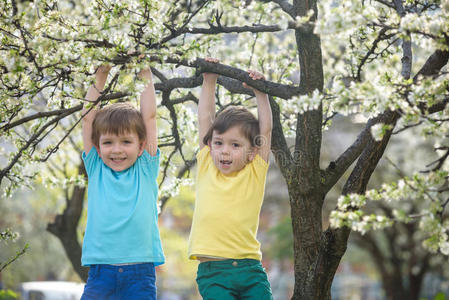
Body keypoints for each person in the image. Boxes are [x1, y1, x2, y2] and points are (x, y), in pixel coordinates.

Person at [188, 57, 273, 299]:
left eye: (235, 145)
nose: (224, 150)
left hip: (250, 271)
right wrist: (209, 80)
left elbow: (265, 130)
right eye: (219, 143)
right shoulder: (207, 164)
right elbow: (205, 118)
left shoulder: (255, 171)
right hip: (213, 273)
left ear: (252, 151)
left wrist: (261, 93)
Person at [80, 64, 164, 300]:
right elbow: (88, 121)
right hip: (100, 273)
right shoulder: (96, 168)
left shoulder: (145, 168)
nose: (116, 150)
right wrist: (101, 76)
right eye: (108, 143)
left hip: (140, 274)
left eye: (126, 142)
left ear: (141, 145)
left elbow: (149, 116)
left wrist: (144, 71)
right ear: (97, 147)